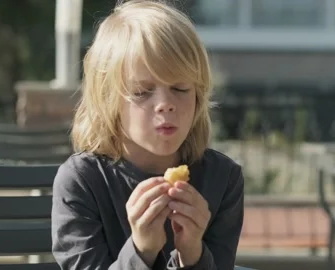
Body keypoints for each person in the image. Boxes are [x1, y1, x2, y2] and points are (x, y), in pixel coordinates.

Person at [51, 1, 244, 269]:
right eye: (142, 91)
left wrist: (193, 253)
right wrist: (140, 250)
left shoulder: (223, 179)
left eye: (180, 88)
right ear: (109, 102)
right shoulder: (82, 181)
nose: (165, 103)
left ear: (198, 97)